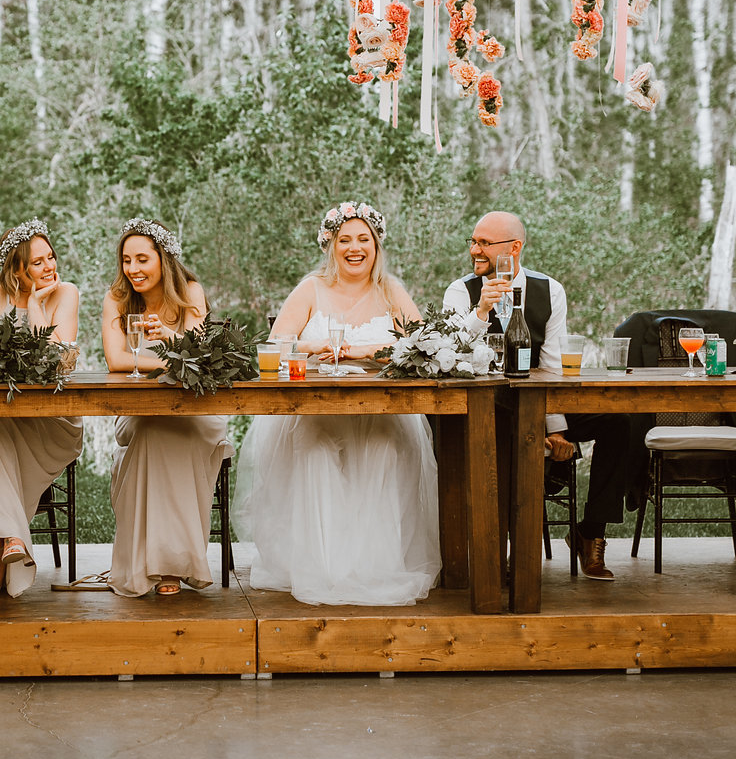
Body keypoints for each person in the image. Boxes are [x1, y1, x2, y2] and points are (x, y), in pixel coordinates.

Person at [233, 201, 442, 606]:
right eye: (345, 239)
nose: (355, 248)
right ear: (330, 245)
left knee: (382, 450)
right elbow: (273, 345)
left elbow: (424, 344)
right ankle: (323, 567)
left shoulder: (391, 290)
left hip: (380, 411)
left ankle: (374, 567)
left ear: (377, 245)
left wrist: (365, 350)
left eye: (364, 239)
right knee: (315, 453)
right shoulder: (310, 288)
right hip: (316, 408)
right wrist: (315, 346)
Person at [443, 210, 626, 579]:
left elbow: (551, 366)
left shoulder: (549, 290)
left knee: (620, 421)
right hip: (490, 408)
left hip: (542, 404)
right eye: (473, 242)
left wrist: (554, 427)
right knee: (507, 432)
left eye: (483, 243)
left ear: (514, 247)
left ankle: (591, 532)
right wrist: (481, 311)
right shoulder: (460, 291)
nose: (474, 250)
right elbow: (447, 355)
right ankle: (500, 553)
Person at [0, 220, 84, 597]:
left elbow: (57, 362)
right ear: (15, 268)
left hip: (50, 420)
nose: (49, 267)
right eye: (37, 263)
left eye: (50, 257)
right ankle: (10, 540)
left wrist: (38, 302)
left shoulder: (66, 293)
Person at [101, 218, 232, 597]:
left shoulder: (191, 291)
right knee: (152, 429)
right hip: (138, 410)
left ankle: (166, 565)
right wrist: (169, 358)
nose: (133, 269)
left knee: (165, 432)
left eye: (142, 259)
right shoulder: (118, 298)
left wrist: (169, 340)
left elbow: (200, 357)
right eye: (127, 260)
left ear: (164, 258)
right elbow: (116, 360)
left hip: (195, 411)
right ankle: (163, 564)